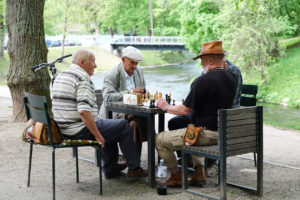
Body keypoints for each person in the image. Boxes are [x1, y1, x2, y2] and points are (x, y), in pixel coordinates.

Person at [52, 49, 147, 180]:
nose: (96, 66)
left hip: (61, 128)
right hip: (77, 129)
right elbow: (84, 111)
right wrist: (97, 135)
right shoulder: (82, 78)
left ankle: (110, 168)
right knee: (123, 126)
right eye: (93, 62)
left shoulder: (61, 75)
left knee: (112, 126)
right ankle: (134, 168)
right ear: (82, 63)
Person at [155, 40, 237, 187]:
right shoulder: (232, 78)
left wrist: (166, 107)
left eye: (202, 60)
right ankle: (199, 173)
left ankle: (175, 176)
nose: (201, 64)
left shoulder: (203, 81)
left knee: (160, 140)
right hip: (223, 133)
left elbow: (184, 109)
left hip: (206, 135)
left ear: (211, 60)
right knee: (192, 127)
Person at [98, 46, 147, 156]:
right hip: (113, 115)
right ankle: (134, 165)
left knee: (135, 124)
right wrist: (130, 92)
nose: (134, 66)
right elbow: (107, 97)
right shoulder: (112, 74)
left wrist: (144, 92)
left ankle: (133, 165)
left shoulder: (139, 72)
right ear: (123, 60)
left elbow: (142, 90)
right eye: (132, 63)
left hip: (133, 113)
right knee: (136, 123)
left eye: (137, 63)